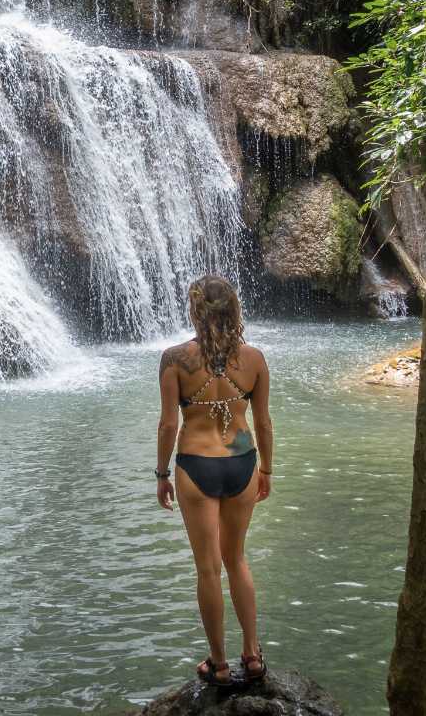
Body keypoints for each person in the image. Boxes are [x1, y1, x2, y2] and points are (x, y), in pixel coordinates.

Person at [155, 274, 273, 689]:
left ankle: (219, 664)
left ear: (195, 310)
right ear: (234, 310)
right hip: (242, 463)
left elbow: (169, 424)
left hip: (196, 465)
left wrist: (161, 474)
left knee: (207, 568)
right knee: (236, 559)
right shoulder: (255, 359)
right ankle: (253, 655)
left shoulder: (174, 360)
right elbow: (262, 422)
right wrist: (267, 471)